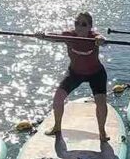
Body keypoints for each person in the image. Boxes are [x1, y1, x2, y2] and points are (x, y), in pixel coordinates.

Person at [40, 12, 111, 142]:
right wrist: (42, 36)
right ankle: (57, 127)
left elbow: (103, 39)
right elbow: (54, 37)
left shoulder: (94, 37)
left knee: (100, 102)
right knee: (58, 97)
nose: (79, 26)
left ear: (90, 26)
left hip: (96, 74)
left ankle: (102, 131)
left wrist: (102, 41)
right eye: (76, 23)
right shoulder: (69, 35)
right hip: (75, 73)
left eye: (83, 24)